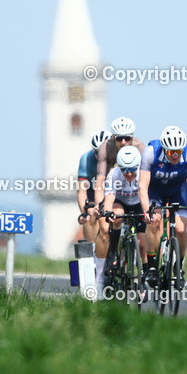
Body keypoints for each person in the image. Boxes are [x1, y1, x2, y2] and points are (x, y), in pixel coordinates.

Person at [139, 125, 187, 286]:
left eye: (178, 151)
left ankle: (179, 266)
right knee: (154, 222)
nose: (175, 156)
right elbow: (142, 186)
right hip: (155, 191)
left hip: (177, 191)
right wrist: (147, 210)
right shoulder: (150, 152)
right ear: (164, 149)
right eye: (171, 152)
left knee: (181, 230)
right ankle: (153, 266)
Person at [91, 116, 146, 272]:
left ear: (132, 137)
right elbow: (101, 180)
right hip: (113, 186)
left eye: (127, 138)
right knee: (107, 223)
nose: (123, 142)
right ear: (113, 137)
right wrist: (99, 204)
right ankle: (112, 253)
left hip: (134, 188)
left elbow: (147, 177)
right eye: (119, 138)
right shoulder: (105, 148)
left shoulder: (140, 147)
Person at [96, 145, 146, 289]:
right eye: (125, 169)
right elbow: (109, 197)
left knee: (143, 244)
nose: (129, 174)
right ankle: (113, 252)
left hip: (138, 203)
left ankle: (144, 273)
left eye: (132, 170)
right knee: (117, 216)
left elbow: (147, 195)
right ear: (120, 167)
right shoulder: (114, 174)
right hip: (120, 202)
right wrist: (107, 211)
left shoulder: (143, 173)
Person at [77, 129, 108, 282]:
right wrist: (84, 210)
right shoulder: (86, 159)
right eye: (97, 152)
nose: (100, 155)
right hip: (92, 191)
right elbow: (82, 190)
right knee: (90, 215)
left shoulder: (118, 159)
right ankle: (92, 254)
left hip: (110, 190)